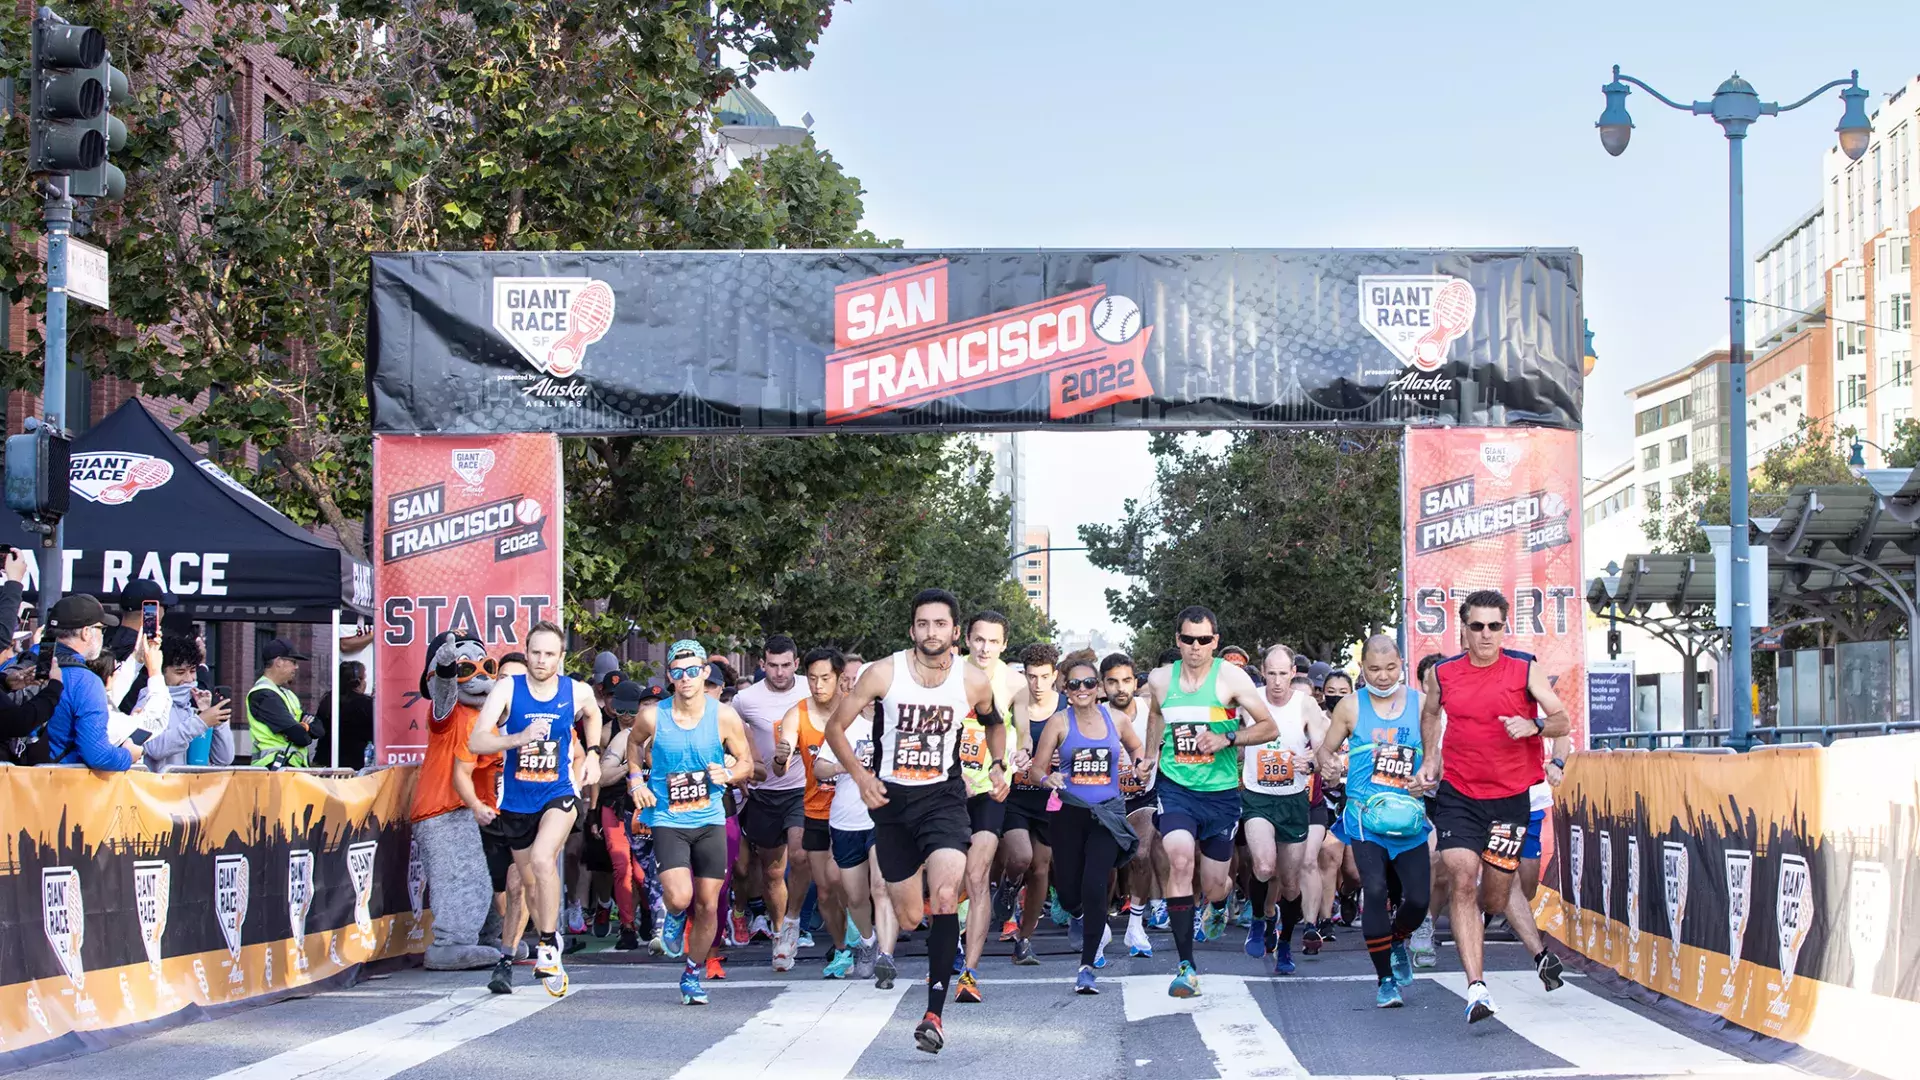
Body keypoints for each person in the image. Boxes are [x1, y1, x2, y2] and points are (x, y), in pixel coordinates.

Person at [824, 588, 1004, 1055]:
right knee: (908, 914)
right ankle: (921, 922)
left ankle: (933, 1015)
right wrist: (862, 777)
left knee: (946, 893)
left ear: (955, 632)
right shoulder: (882, 673)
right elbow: (834, 729)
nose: (931, 632)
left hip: (944, 799)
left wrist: (1000, 763)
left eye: (940, 624)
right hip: (892, 803)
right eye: (922, 624)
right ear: (911, 630)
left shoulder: (973, 680)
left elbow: (993, 722)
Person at [1419, 590, 1570, 1023]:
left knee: (1496, 893)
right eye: (1477, 626)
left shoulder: (1524, 669)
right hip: (1459, 795)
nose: (1486, 635)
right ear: (1463, 630)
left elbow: (1562, 719)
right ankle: (1477, 988)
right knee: (1462, 878)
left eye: (1495, 626)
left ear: (1504, 628)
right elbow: (1431, 715)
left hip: (1509, 799)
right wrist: (1431, 757)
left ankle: (1533, 952)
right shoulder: (1444, 674)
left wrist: (1533, 725)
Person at [1142, 604, 1278, 998]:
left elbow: (1267, 727)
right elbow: (1155, 714)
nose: (1196, 647)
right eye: (1188, 639)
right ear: (1178, 641)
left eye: (1204, 640)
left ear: (1215, 642)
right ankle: (1186, 966)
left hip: (1219, 795)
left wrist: (1227, 739)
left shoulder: (1231, 678)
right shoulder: (1160, 680)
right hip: (1176, 787)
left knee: (1215, 884)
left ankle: (1218, 904)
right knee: (1179, 858)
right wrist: (1151, 754)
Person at [468, 621, 603, 997]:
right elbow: (478, 740)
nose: (541, 660)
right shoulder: (508, 688)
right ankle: (545, 941)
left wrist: (592, 753)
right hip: (517, 800)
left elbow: (593, 713)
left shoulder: (575, 690)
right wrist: (517, 738)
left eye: (549, 654)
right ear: (526, 653)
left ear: (561, 658)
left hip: (558, 792)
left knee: (544, 860)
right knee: (527, 882)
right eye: (536, 652)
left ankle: (547, 945)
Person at [626, 639, 753, 1005]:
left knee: (709, 905)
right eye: (678, 673)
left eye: (692, 671)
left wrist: (728, 775)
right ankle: (676, 915)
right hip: (668, 818)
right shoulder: (653, 716)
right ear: (669, 676)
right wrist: (636, 781)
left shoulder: (724, 716)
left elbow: (745, 763)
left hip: (711, 818)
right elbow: (634, 746)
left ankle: (692, 972)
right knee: (681, 897)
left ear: (704, 673)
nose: (685, 679)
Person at [1321, 635, 1433, 1008]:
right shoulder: (1350, 707)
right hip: (1365, 818)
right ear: (1361, 668)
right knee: (1376, 889)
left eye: (1389, 668)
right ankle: (1385, 979)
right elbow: (1326, 749)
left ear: (1401, 663)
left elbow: (1437, 756)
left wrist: (1428, 777)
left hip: (1409, 818)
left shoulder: (1422, 706)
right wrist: (1330, 764)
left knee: (1417, 900)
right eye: (1373, 669)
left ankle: (1398, 938)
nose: (1382, 677)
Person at [1028, 657, 1143, 995]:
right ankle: (1081, 916)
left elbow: (1136, 747)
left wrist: (1139, 764)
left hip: (1106, 814)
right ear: (1065, 689)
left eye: (1089, 683)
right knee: (1067, 892)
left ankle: (1088, 965)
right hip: (1068, 813)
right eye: (1074, 684)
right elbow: (1036, 770)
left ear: (1099, 688)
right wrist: (1049, 778)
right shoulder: (1059, 722)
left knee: (1095, 886)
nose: (1082, 690)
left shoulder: (1117, 719)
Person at [412, 632, 509, 973]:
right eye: (468, 667)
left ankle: (488, 938)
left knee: (491, 876)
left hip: (482, 811)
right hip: (445, 808)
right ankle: (450, 943)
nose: (480, 676)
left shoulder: (489, 718)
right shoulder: (449, 714)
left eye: (487, 666)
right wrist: (446, 669)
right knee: (463, 877)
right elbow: (443, 694)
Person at [1240, 645, 1326, 974]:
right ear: (1264, 672)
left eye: (1283, 673)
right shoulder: (1250, 699)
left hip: (1293, 799)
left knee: (1290, 884)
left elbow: (1322, 746)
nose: (1277, 681)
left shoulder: (1305, 705)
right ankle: (1259, 921)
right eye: (1271, 673)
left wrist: (1313, 761)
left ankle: (1286, 942)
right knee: (1263, 866)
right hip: (1257, 796)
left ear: (1294, 673)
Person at [953, 611, 1022, 1002]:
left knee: (978, 875)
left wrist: (1012, 764)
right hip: (946, 790)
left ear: (1003, 645)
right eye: (978, 639)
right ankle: (951, 932)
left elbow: (1023, 732)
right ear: (967, 639)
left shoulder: (1013, 683)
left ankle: (969, 972)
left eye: (992, 641)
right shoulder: (950, 674)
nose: (984, 647)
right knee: (948, 876)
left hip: (990, 790)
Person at [774, 646, 855, 976]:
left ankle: (864, 938)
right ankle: (841, 949)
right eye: (812, 678)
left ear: (839, 678)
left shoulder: (855, 711)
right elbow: (780, 768)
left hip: (854, 810)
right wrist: (781, 756)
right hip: (817, 809)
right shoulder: (798, 713)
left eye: (825, 678)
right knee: (824, 889)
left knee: (846, 881)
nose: (818, 684)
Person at [734, 634, 812, 970]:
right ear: (762, 665)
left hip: (804, 789)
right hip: (765, 793)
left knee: (800, 853)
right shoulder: (744, 700)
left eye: (786, 665)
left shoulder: (814, 688)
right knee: (772, 870)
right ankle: (781, 934)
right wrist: (742, 769)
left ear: (796, 663)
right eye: (772, 666)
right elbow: (729, 735)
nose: (779, 672)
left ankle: (794, 922)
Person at [1000, 642, 1059, 966]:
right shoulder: (1012, 706)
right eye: (1031, 676)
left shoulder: (1065, 707)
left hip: (1049, 800)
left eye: (1044, 677)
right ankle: (1008, 885)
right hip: (1016, 798)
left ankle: (1024, 940)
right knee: (1021, 857)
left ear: (1055, 676)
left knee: (1040, 870)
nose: (1037, 684)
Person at [41, 594, 139, 770]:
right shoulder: (86, 681)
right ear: (86, 633)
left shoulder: (15, 664)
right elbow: (98, 755)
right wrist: (128, 755)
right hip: (56, 788)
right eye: (101, 628)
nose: (102, 635)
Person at [1107, 653, 1163, 958]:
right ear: (1103, 685)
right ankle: (1100, 925)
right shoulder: (1095, 714)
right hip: (1104, 801)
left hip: (1144, 797)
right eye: (1113, 681)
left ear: (1135, 682)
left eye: (1126, 680)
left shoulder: (1151, 713)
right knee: (1106, 865)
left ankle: (1136, 925)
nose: (1120, 688)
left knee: (1141, 854)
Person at [598, 681, 653, 951]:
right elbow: (602, 775)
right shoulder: (622, 736)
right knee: (622, 866)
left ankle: (650, 913)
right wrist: (630, 767)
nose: (629, 716)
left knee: (644, 872)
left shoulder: (671, 731)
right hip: (617, 805)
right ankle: (627, 927)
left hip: (649, 809)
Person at [136, 634, 234, 769]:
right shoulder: (148, 700)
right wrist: (201, 721)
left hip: (191, 787)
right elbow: (154, 748)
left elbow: (223, 759)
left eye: (193, 671)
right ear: (161, 672)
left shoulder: (193, 705)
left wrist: (217, 722)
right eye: (180, 672)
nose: (189, 679)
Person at [248, 639, 325, 768]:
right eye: (293, 662)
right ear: (278, 662)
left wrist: (304, 728)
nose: (296, 667)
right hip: (272, 768)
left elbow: (319, 728)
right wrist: (304, 729)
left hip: (290, 768)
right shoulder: (263, 694)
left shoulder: (287, 694)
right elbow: (300, 737)